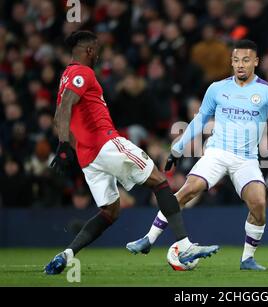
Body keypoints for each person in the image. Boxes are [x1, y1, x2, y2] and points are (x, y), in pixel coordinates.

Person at [44, 31, 219, 275]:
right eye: (97, 49)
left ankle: (66, 254)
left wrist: (74, 147)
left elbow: (58, 115)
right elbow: (65, 108)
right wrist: (63, 145)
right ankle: (184, 245)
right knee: (159, 181)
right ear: (90, 50)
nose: (99, 54)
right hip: (106, 143)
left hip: (88, 157)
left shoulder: (65, 76)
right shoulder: (83, 73)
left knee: (110, 211)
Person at [126, 39, 268, 271]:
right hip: (216, 152)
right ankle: (149, 238)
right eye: (236, 60)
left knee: (259, 204)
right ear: (231, 61)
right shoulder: (217, 88)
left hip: (246, 159)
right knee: (188, 190)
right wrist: (177, 149)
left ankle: (247, 259)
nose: (240, 65)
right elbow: (199, 120)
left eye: (246, 60)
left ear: (256, 62)